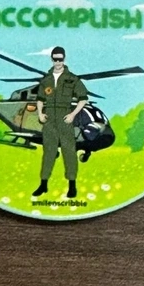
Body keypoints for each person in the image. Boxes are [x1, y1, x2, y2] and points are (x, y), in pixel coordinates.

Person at [33, 46, 88, 199]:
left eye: (60, 59)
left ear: (64, 59)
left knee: (69, 151)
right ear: (51, 59)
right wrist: (40, 113)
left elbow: (83, 98)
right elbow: (40, 99)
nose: (57, 62)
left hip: (65, 117)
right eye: (55, 59)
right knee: (49, 152)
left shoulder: (72, 79)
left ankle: (72, 186)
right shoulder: (46, 80)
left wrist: (72, 114)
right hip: (49, 118)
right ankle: (43, 184)